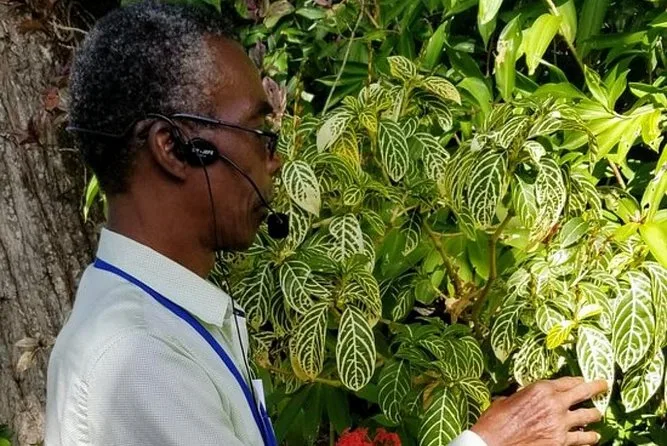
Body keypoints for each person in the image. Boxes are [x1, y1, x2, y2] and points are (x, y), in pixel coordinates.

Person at [45, 2, 608, 445]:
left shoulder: (159, 321)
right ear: (174, 147)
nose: (275, 161)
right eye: (260, 134)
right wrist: (488, 442)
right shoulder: (138, 361)